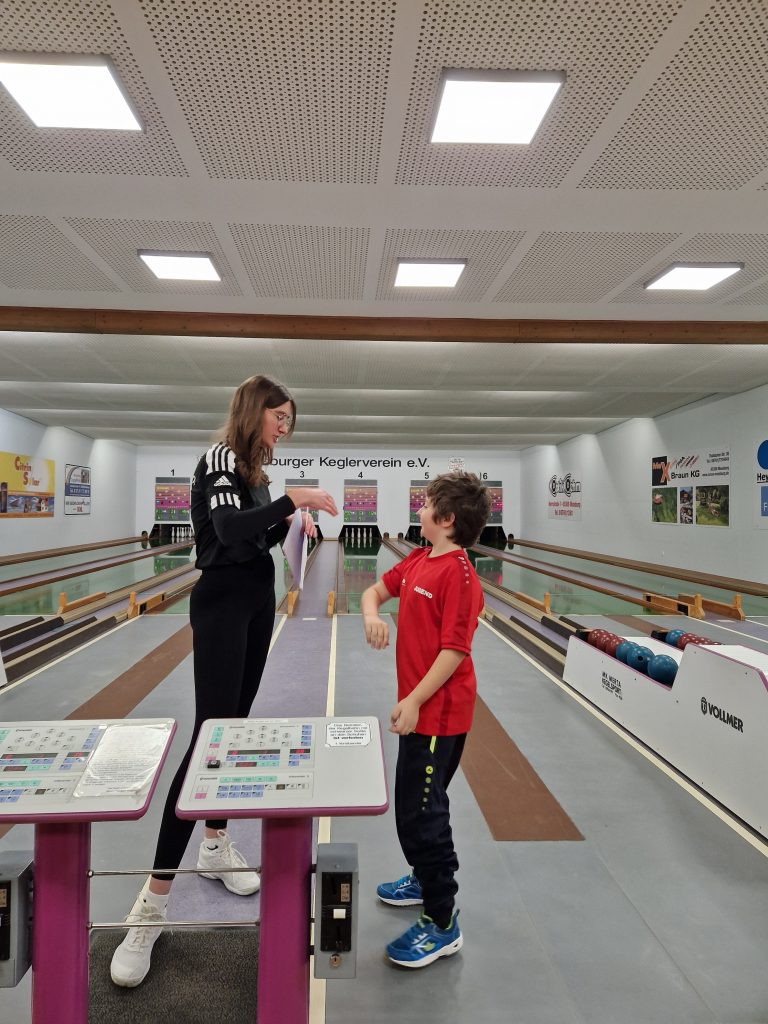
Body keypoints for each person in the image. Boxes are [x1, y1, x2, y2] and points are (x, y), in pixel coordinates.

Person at [110, 374, 338, 987]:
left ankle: (213, 845)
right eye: (279, 416)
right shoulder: (219, 458)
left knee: (231, 733)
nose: (285, 427)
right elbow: (231, 532)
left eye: (290, 419)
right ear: (253, 410)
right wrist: (293, 501)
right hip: (222, 605)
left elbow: (256, 536)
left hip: (257, 601)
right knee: (207, 741)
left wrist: (292, 526)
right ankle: (150, 907)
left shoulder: (255, 473)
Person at [360, 472, 490, 969]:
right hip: (419, 711)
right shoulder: (419, 558)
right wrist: (372, 615)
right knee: (419, 803)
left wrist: (414, 700)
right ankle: (422, 879)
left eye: (427, 502)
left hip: (439, 715)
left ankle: (442, 920)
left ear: (447, 518)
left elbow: (455, 651)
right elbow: (375, 592)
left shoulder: (459, 576)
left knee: (421, 816)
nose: (419, 508)